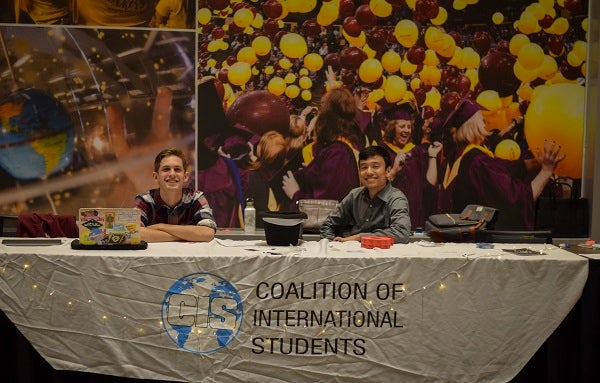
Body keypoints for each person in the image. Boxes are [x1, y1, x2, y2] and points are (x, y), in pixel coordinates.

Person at [439, 98, 565, 230]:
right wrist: (546, 171)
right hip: (475, 239)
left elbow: (506, 168)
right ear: (473, 126)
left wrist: (537, 162)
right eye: (482, 121)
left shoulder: (457, 157)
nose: (485, 123)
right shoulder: (479, 162)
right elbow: (517, 199)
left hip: (457, 233)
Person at [282, 86, 364, 208]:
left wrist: (296, 195)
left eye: (322, 109)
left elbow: (327, 204)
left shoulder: (338, 153)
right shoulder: (339, 149)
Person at [320, 146, 411, 244]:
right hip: (349, 254)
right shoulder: (354, 195)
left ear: (388, 171)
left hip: (383, 257)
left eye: (375, 166)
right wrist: (330, 246)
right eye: (364, 167)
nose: (369, 172)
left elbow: (402, 233)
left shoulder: (396, 198)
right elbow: (328, 225)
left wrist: (359, 237)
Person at [379, 102, 442, 230]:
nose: (406, 130)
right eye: (402, 126)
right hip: (387, 219)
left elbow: (429, 185)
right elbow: (374, 189)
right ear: (391, 128)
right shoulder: (380, 152)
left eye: (409, 126)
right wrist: (395, 170)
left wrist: (433, 156)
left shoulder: (417, 152)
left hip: (414, 218)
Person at [134, 147, 216, 242]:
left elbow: (207, 233)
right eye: (166, 169)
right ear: (156, 177)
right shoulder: (144, 200)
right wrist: (186, 235)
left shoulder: (197, 198)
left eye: (177, 169)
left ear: (185, 177)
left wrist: (161, 226)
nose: (172, 174)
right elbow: (134, 233)